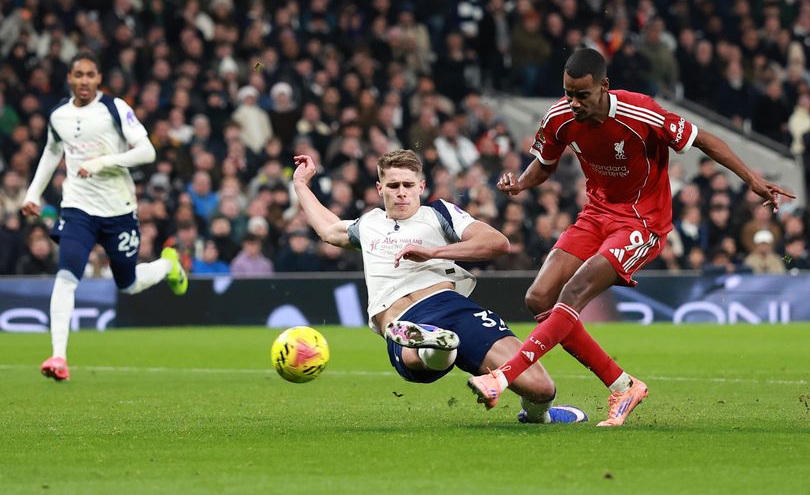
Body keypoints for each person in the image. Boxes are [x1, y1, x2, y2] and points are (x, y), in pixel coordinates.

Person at [467, 48, 795, 426]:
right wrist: (520, 183)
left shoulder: (642, 112)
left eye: (582, 95)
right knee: (538, 297)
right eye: (568, 93)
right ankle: (623, 385)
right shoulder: (559, 118)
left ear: (604, 86)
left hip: (643, 222)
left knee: (573, 293)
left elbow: (704, 140)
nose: (573, 103)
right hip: (596, 215)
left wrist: (752, 180)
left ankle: (502, 377)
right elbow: (544, 164)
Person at [293, 149, 586, 424]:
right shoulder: (368, 224)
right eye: (393, 185)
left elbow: (497, 243)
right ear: (380, 188)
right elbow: (328, 230)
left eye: (408, 184)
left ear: (421, 186)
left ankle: (537, 415)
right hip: (400, 317)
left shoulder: (438, 214)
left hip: (452, 306)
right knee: (418, 356)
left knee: (541, 387)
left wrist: (433, 252)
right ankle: (435, 342)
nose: (401, 192)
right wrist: (301, 185)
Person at [22, 52, 188, 382]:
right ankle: (58, 356)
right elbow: (52, 151)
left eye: (90, 75)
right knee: (67, 274)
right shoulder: (59, 116)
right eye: (78, 74)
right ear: (69, 77)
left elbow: (147, 151)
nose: (84, 81)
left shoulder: (115, 108)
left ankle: (169, 264)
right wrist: (32, 193)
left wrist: (101, 163)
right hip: (78, 208)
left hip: (118, 210)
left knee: (126, 285)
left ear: (99, 79)